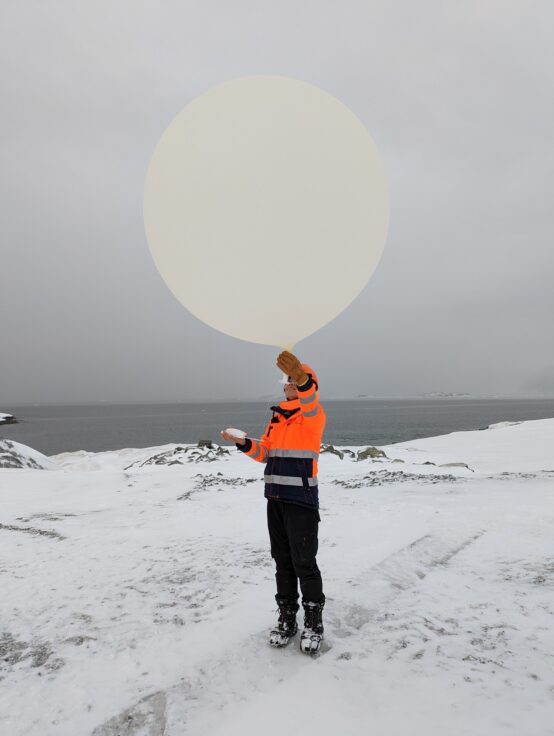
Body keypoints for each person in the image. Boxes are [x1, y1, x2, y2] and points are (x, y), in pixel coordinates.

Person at [221, 350, 326, 654]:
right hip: (275, 500)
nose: (287, 383)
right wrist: (243, 443)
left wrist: (303, 378)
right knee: (282, 563)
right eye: (285, 379)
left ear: (307, 384)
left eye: (293, 379)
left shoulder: (312, 416)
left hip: (301, 501)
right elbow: (265, 454)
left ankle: (314, 623)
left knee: (304, 563)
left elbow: (309, 399)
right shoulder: (277, 418)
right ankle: (288, 618)